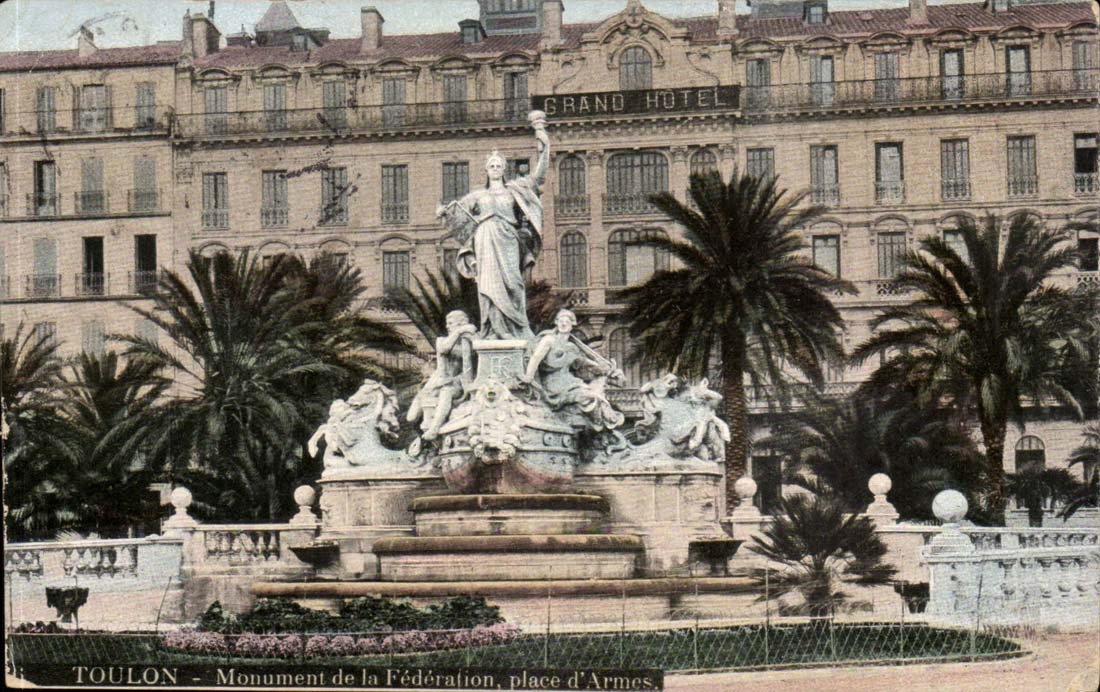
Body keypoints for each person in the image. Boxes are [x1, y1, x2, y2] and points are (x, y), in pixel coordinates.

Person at [437, 111, 549, 340]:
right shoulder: (478, 195)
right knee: (488, 285)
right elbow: (455, 213)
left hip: (508, 237)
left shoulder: (516, 189)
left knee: (514, 284)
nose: (496, 169)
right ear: (487, 170)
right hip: (485, 237)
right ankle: (493, 329)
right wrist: (441, 211)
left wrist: (543, 142)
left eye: (499, 166)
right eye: (492, 166)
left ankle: (517, 329)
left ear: (504, 169)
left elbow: (539, 177)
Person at [521, 309, 625, 432]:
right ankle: (604, 424)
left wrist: (608, 371)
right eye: (561, 321)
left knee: (595, 395)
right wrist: (528, 376)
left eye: (567, 321)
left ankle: (601, 427)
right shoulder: (549, 340)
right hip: (553, 385)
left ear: (572, 324)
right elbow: (535, 358)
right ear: (556, 323)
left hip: (570, 382)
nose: (563, 324)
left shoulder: (572, 347)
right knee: (591, 396)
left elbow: (586, 363)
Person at [407, 310, 477, 440]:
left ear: (461, 323)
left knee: (446, 393)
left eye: (450, 323)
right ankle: (419, 438)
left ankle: (434, 429)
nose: (447, 326)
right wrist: (460, 331)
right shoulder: (442, 340)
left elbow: (478, 350)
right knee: (411, 416)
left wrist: (469, 335)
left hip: (455, 382)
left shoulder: (469, 343)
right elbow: (444, 349)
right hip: (436, 381)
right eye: (447, 323)